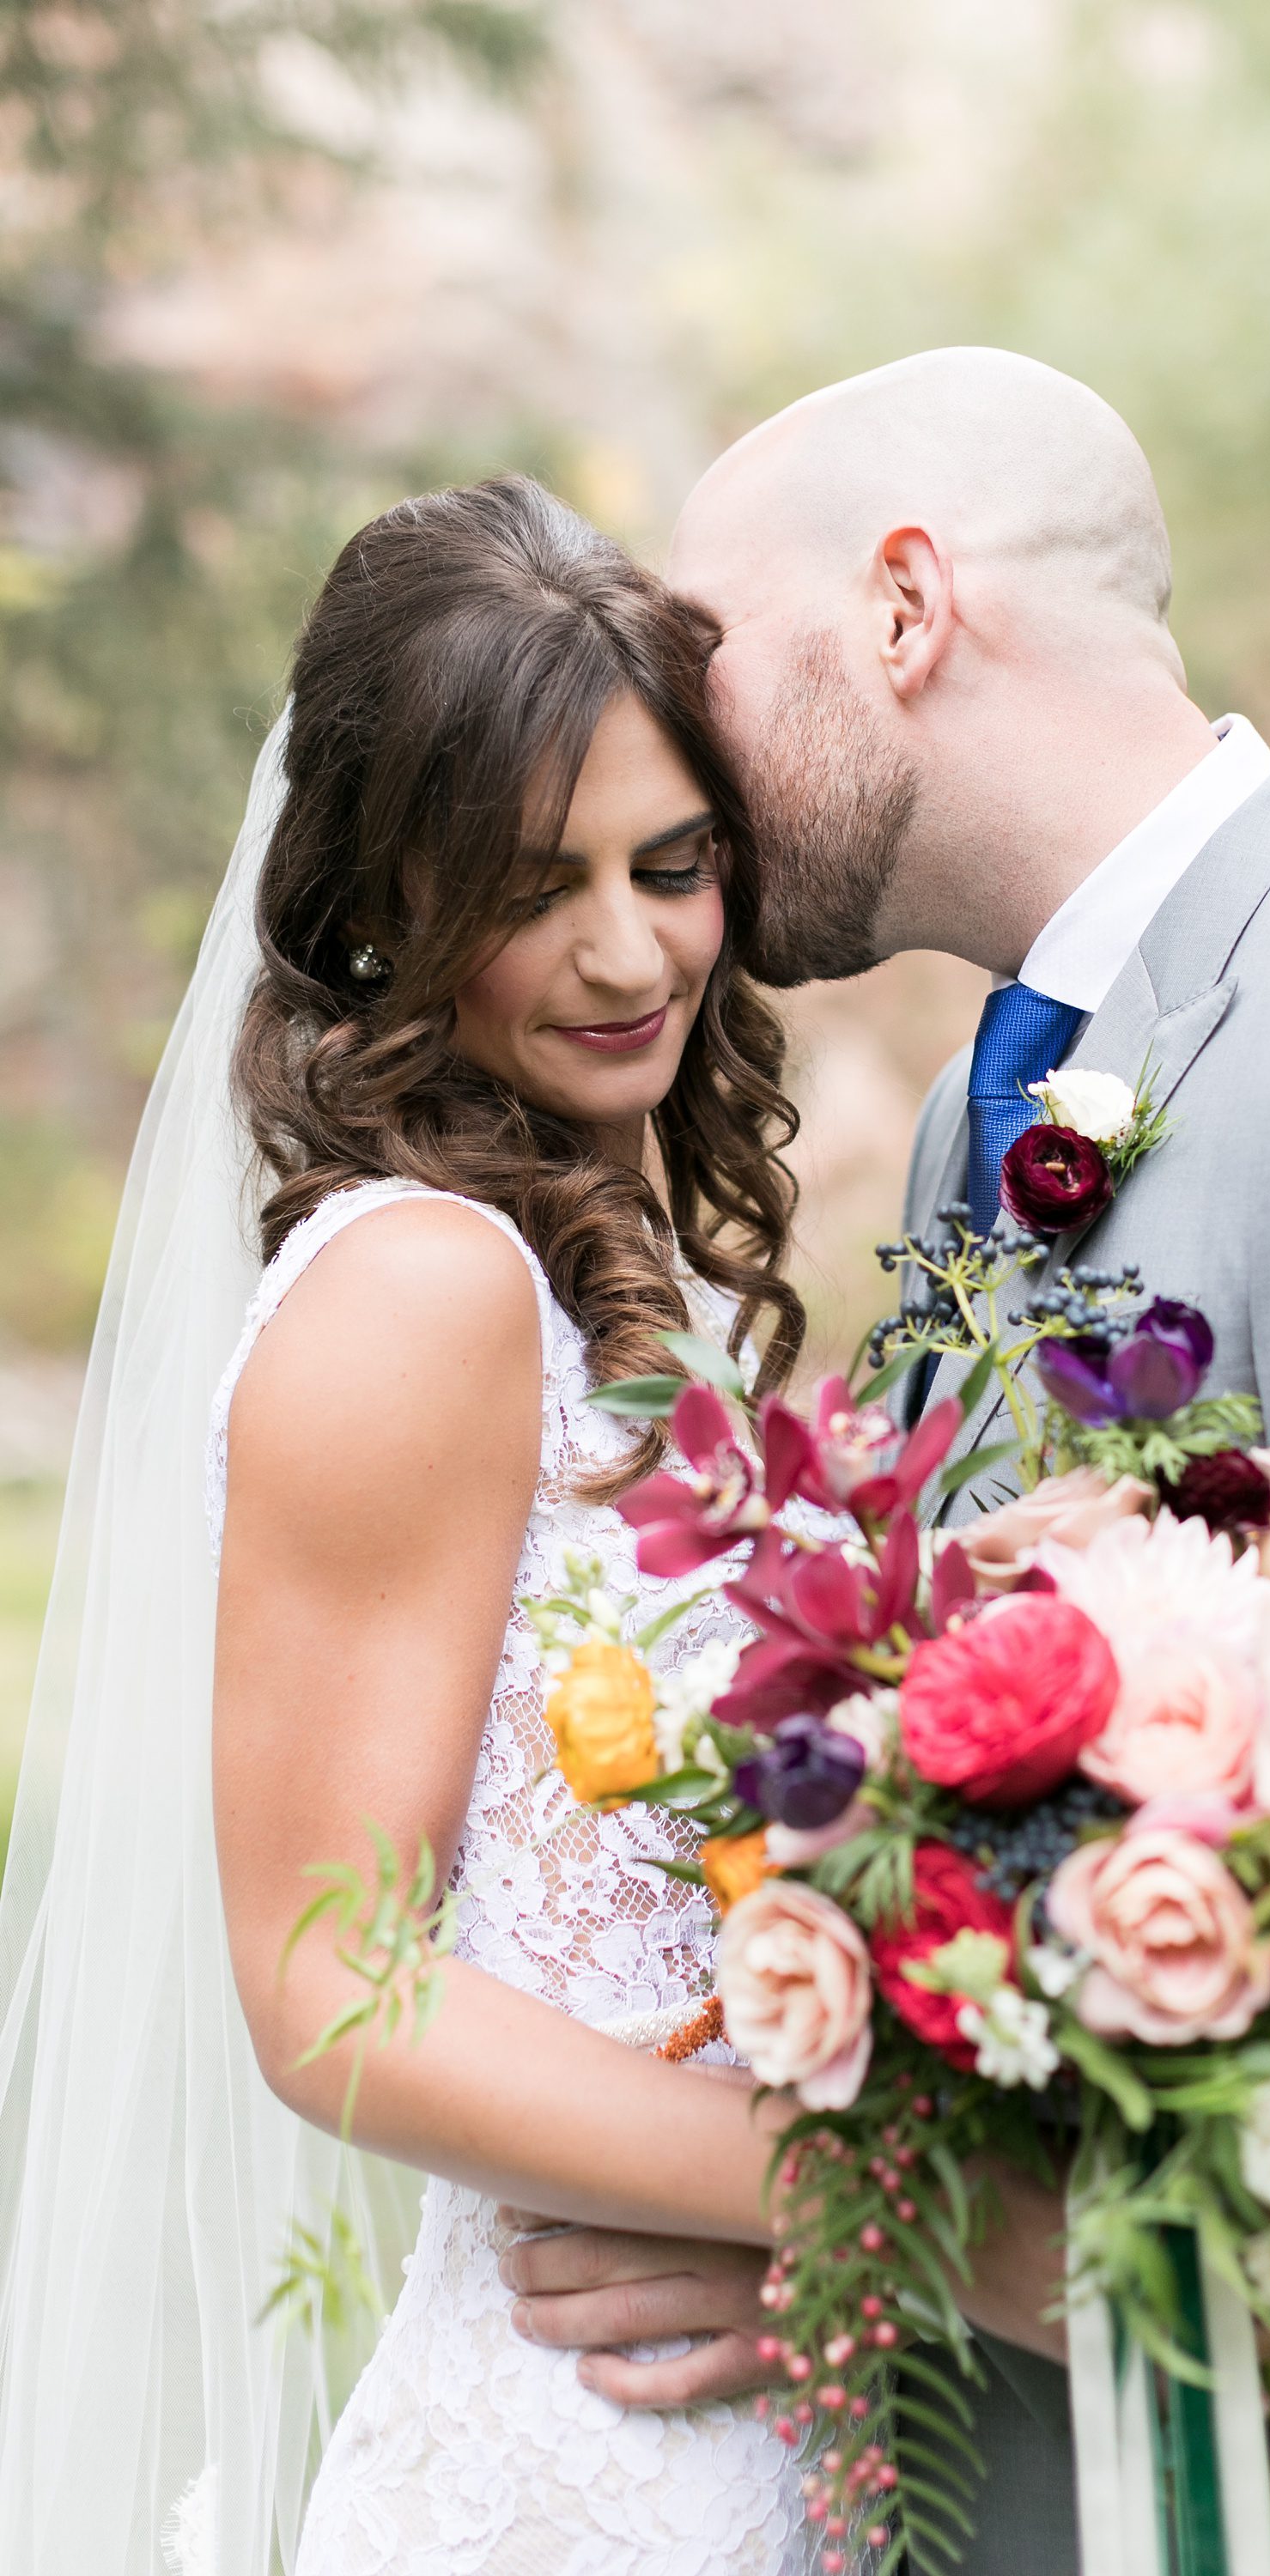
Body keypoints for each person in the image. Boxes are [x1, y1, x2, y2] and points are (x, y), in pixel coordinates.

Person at [509, 351, 1270, 2574]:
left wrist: (854, 2238)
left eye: (699, 658)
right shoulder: (1033, 1076)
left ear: (902, 611)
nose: (665, 750)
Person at [0, 471, 1060, 2575]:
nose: (623, 951)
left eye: (672, 867)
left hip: (745, 2403)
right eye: (529, 885)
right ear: (380, 900)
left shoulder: (581, 1253)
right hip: (577, 2472)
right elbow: (331, 1983)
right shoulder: (424, 1285)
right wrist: (905, 2215)